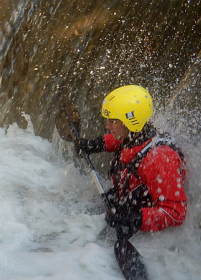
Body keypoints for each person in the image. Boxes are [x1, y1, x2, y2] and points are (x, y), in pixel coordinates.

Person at [74, 85, 187, 240]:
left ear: (131, 122)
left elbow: (175, 212)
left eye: (113, 121)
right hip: (129, 203)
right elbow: (119, 142)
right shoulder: (136, 134)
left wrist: (130, 219)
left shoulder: (160, 159)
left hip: (149, 230)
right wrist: (92, 145)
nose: (107, 126)